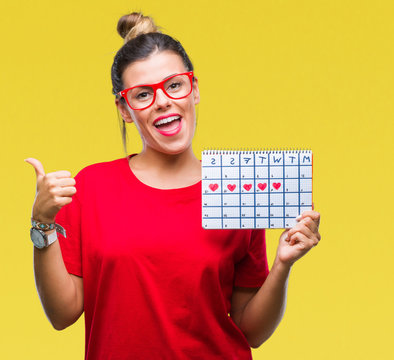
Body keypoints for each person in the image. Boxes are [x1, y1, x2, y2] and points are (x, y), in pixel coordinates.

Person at [25, 12, 321, 360]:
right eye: (142, 94)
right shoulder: (91, 187)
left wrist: (283, 264)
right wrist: (42, 224)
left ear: (193, 90)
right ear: (124, 108)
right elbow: (62, 315)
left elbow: (251, 331)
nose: (163, 100)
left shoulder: (237, 189)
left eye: (174, 85)